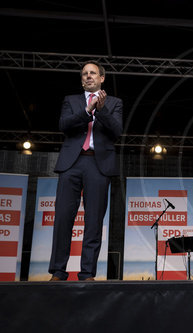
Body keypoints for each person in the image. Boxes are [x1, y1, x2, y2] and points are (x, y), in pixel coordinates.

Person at [49, 61, 123, 281]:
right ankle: (58, 272)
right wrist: (87, 111)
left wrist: (100, 112)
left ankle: (87, 273)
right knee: (63, 218)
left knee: (93, 221)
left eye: (92, 73)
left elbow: (117, 131)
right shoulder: (71, 101)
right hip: (72, 164)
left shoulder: (114, 103)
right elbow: (64, 125)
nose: (88, 76)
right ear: (81, 79)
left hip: (98, 166)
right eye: (84, 74)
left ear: (102, 78)